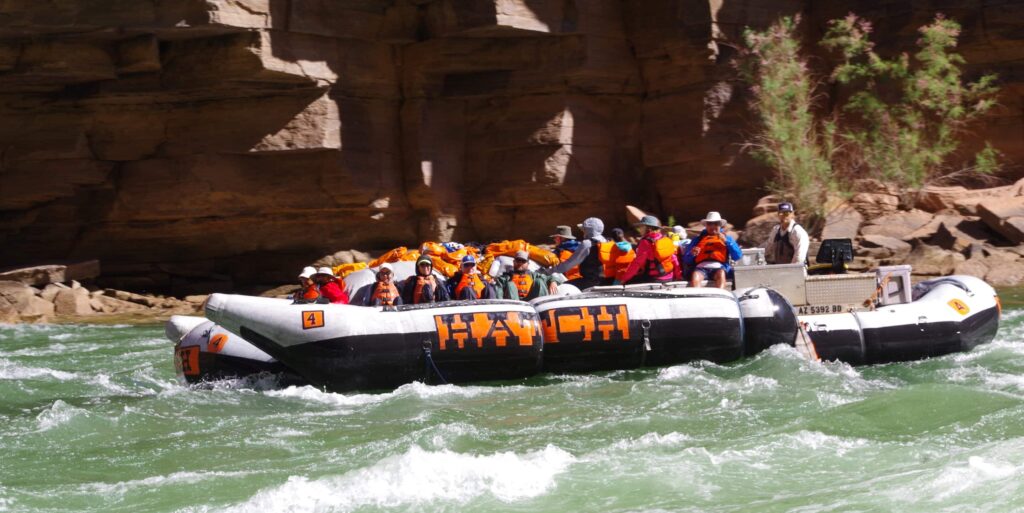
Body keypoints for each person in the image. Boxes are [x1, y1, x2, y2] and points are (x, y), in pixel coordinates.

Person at [684, 211, 743, 289]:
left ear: (720, 225)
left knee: (721, 274)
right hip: (700, 269)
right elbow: (686, 260)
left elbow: (737, 256)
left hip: (719, 268)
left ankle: (720, 297)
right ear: (706, 225)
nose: (712, 226)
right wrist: (692, 254)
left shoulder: (727, 238)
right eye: (710, 224)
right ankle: (697, 298)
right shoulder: (697, 240)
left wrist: (727, 242)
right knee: (695, 275)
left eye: (716, 224)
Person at [619, 215, 681, 284]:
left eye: (641, 226)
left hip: (654, 278)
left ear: (649, 228)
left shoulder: (645, 242)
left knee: (629, 281)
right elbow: (674, 258)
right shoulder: (665, 239)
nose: (639, 229)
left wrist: (624, 279)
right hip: (669, 277)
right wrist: (678, 276)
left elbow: (637, 263)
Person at [551, 218, 607, 290]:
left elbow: (569, 264)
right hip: (606, 279)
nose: (583, 232)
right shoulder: (606, 241)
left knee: (563, 287)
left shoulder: (587, 243)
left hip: (591, 281)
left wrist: (549, 271)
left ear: (588, 230)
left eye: (584, 230)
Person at [495, 250, 564, 300]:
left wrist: (553, 281)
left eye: (523, 261)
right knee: (510, 284)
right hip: (515, 304)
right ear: (513, 262)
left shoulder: (534, 275)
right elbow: (498, 291)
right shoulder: (506, 277)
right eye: (518, 260)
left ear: (528, 264)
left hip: (533, 303)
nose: (520, 263)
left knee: (539, 281)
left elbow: (552, 278)